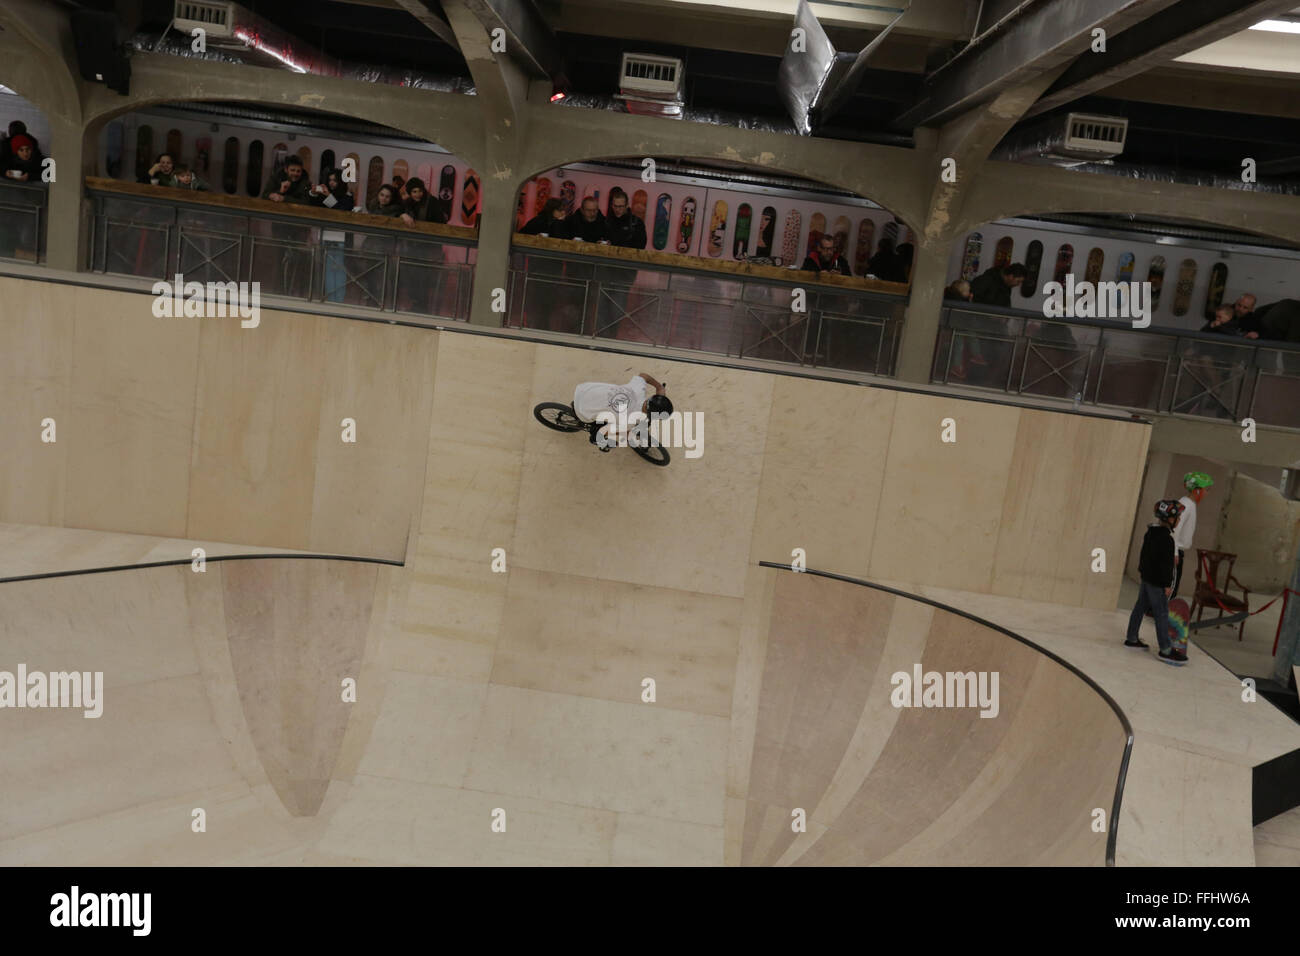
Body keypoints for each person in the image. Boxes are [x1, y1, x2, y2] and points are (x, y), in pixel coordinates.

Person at [1126, 498, 1187, 664]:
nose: (1179, 520)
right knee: (1161, 613)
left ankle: (1131, 638)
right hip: (1157, 582)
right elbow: (1166, 566)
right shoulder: (1167, 540)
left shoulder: (1150, 533)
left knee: (1139, 607)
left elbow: (1144, 557)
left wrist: (1143, 573)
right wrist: (1167, 585)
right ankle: (1165, 650)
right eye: (1178, 517)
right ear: (1170, 518)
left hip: (1146, 578)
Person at [571, 372, 671, 452]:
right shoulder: (630, 422)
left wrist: (659, 387)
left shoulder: (639, 389)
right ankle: (595, 440)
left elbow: (644, 376)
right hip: (582, 410)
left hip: (585, 389)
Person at [1172, 472, 1212, 600]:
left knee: (1173, 586)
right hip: (1176, 552)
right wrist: (1174, 552)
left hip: (1178, 551)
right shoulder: (1186, 505)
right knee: (1171, 587)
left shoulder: (1189, 504)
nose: (1207, 493)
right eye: (1206, 489)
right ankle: (1159, 616)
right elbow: (1174, 528)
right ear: (1197, 490)